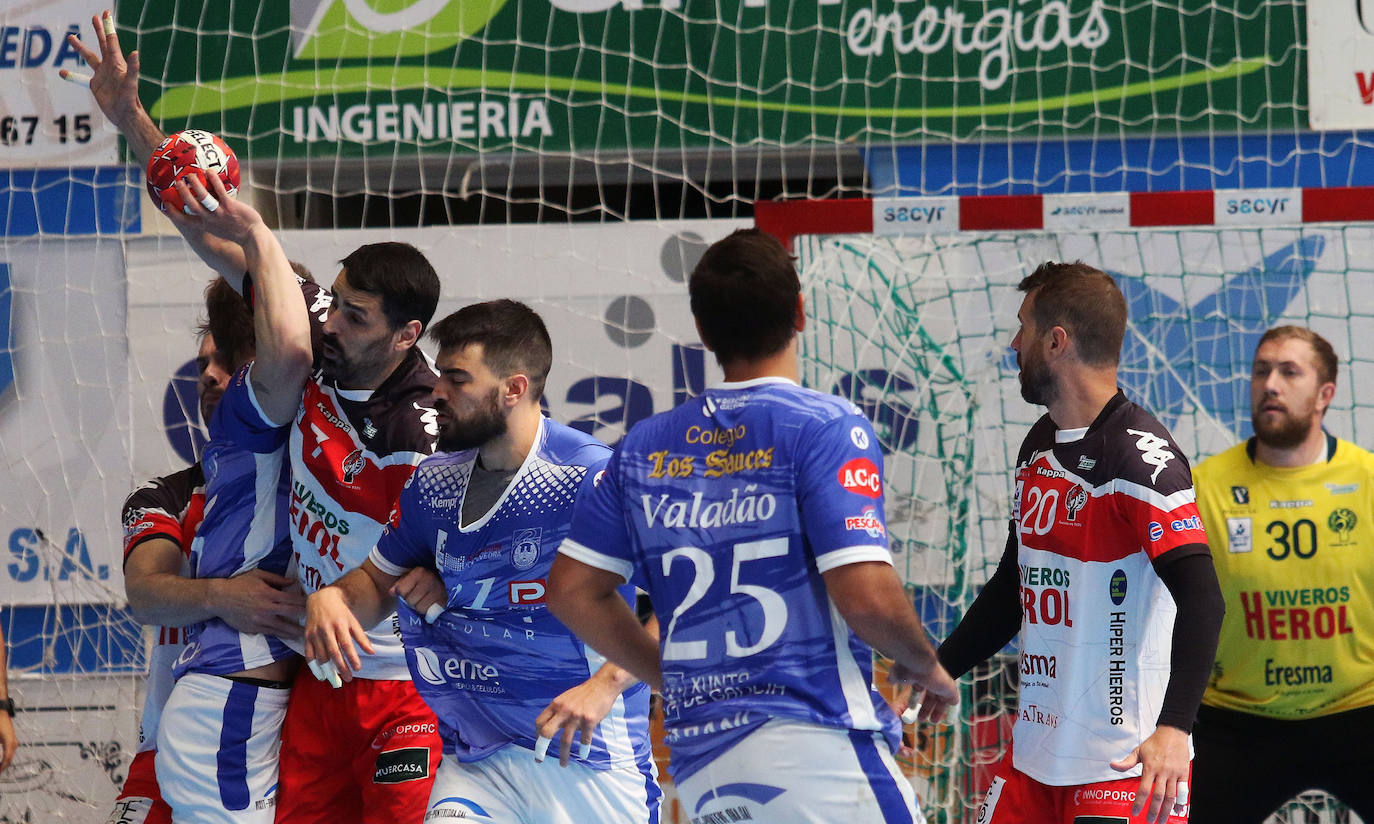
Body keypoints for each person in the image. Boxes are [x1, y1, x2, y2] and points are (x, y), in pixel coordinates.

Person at [73, 15, 448, 818]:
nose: (331, 326)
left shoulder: (420, 425)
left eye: (355, 318)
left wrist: (397, 582)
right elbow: (214, 236)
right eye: (332, 306)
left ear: (405, 335)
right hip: (292, 678)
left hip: (384, 670)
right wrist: (134, 126)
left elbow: (446, 532)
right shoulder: (283, 374)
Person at [546, 228, 958, 824]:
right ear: (800, 312)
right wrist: (924, 664)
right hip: (810, 741)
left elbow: (569, 590)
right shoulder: (824, 425)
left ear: (704, 331)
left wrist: (670, 676)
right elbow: (866, 598)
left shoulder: (643, 446)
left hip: (703, 758)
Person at [305, 299, 662, 823]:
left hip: (588, 760)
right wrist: (333, 599)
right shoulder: (434, 482)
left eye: (456, 379)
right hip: (479, 759)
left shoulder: (587, 478)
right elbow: (373, 584)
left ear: (514, 388)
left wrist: (605, 685)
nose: (436, 391)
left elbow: (695, 600)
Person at [934, 261, 1225, 824]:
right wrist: (944, 665)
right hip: (1037, 754)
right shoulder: (1038, 444)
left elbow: (1204, 599)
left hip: (1122, 764)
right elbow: (1012, 588)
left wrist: (1173, 730)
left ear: (1056, 341)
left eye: (1024, 328)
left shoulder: (1140, 457)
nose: (1015, 343)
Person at [115, 284, 304, 823]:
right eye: (203, 363)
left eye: (225, 358)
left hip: (292, 727)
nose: (210, 375)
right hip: (180, 726)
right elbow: (146, 596)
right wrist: (224, 595)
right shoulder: (164, 496)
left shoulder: (315, 485)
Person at [1190, 326, 1374, 823]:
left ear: (1325, 395)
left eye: (1289, 372)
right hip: (1238, 719)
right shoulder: (1204, 488)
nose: (1270, 383)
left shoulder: (1368, 481)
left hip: (1359, 710)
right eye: (1261, 370)